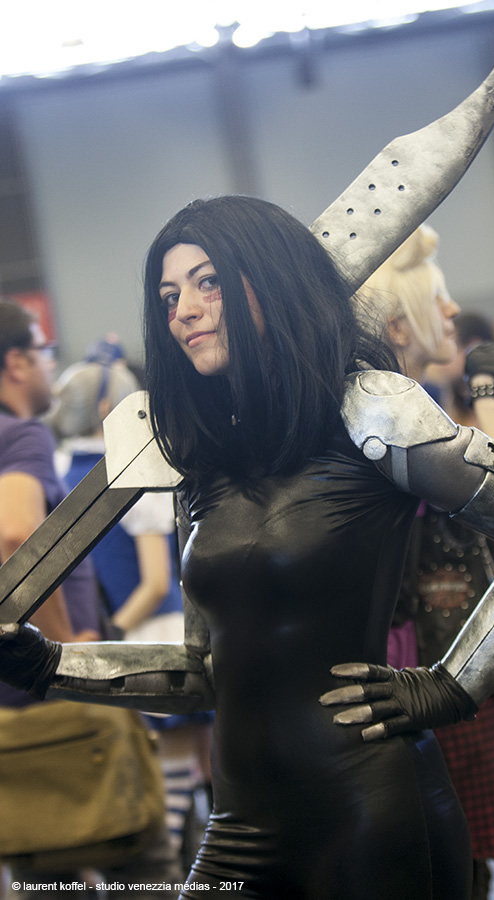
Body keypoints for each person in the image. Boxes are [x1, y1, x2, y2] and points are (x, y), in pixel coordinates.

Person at [0, 196, 494, 900]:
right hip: (240, 823)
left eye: (208, 281)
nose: (183, 309)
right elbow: (204, 671)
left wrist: (452, 684)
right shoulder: (201, 457)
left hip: (368, 807)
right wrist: (50, 664)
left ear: (272, 281)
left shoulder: (373, 410)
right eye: (169, 294)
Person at [360, 227, 494, 900]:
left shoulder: (399, 405)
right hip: (422, 668)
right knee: (448, 870)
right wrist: (487, 393)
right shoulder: (401, 413)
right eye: (439, 299)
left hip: (428, 658)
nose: (454, 309)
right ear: (400, 326)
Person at [0, 300, 183, 900]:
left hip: (11, 712)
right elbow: (15, 533)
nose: (50, 367)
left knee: (43, 876)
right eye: (44, 352)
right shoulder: (20, 435)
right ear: (16, 362)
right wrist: (56, 646)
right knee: (143, 870)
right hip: (58, 697)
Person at [50, 348, 214, 858]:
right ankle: (169, 868)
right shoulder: (131, 474)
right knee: (180, 772)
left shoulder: (59, 470)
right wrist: (117, 631)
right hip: (155, 632)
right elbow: (156, 581)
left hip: (104, 635)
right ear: (109, 408)